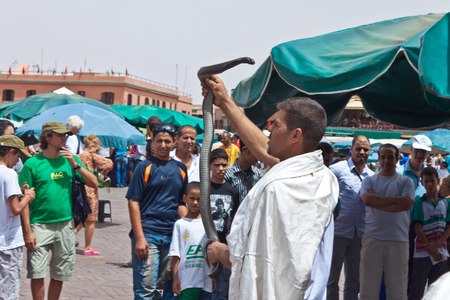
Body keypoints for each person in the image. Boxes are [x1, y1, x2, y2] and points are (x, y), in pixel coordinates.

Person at [203, 75, 338, 299]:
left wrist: (219, 251)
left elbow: (253, 258)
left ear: (295, 135)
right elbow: (266, 150)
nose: (269, 131)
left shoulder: (277, 188)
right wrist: (225, 101)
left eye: (275, 125)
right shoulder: (323, 177)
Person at [19, 121, 98, 300]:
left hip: (65, 224)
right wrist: (27, 231)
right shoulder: (32, 164)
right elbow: (23, 200)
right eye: (60, 135)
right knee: (37, 272)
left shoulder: (71, 160)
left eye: (66, 135)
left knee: (59, 272)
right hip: (39, 224)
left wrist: (75, 165)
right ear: (48, 137)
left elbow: (94, 183)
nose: (65, 138)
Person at [126, 123, 188, 299]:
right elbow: (133, 202)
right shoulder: (144, 167)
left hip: (171, 235)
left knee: (168, 287)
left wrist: (190, 227)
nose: (163, 145)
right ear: (152, 142)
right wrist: (139, 237)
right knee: (145, 289)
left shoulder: (180, 169)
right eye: (159, 140)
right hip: (149, 234)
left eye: (167, 141)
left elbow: (180, 203)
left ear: (174, 142)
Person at [359, 143, 415, 299]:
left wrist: (377, 202)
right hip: (372, 239)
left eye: (390, 157)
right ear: (378, 159)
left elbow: (406, 204)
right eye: (383, 157)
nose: (386, 160)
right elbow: (367, 199)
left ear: (397, 159)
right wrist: (395, 202)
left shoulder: (406, 182)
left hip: (398, 240)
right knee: (367, 288)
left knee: (398, 289)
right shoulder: (369, 181)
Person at [327, 135, 373, 300]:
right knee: (332, 278)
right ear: (351, 149)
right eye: (359, 148)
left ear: (370, 151)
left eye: (365, 149)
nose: (362, 152)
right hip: (337, 232)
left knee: (354, 279)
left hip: (359, 234)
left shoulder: (371, 175)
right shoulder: (337, 170)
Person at [0, 135, 35, 300]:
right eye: (18, 157)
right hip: (8, 242)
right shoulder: (8, 174)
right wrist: (28, 196)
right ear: (11, 152)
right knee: (8, 290)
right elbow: (15, 209)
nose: (18, 161)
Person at [408, 167, 450, 300]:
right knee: (417, 289)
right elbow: (418, 229)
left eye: (432, 181)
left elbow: (449, 227)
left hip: (441, 253)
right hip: (422, 253)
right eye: (426, 181)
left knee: (437, 290)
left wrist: (437, 244)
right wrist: (430, 248)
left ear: (438, 180)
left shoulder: (446, 203)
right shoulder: (419, 203)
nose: (430, 184)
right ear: (422, 182)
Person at [169, 181, 213, 299]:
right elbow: (175, 255)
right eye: (192, 198)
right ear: (184, 198)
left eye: (199, 199)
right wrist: (175, 278)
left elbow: (213, 251)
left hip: (207, 280)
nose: (195, 202)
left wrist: (214, 276)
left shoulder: (208, 223)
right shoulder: (180, 224)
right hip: (187, 281)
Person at [208, 148, 239, 300]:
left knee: (221, 290)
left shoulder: (232, 191)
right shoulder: (203, 188)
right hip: (204, 243)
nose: (221, 169)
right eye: (216, 165)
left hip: (225, 245)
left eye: (224, 165)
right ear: (209, 166)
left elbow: (235, 218)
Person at [76, 134, 113, 256]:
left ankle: (67, 238)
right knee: (91, 219)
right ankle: (87, 247)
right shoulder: (91, 155)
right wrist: (103, 173)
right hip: (90, 189)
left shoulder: (78, 156)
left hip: (80, 188)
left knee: (81, 217)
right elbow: (109, 163)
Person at [224, 139, 261, 204]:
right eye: (257, 152)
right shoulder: (228, 175)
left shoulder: (257, 174)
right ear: (245, 150)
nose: (259, 157)